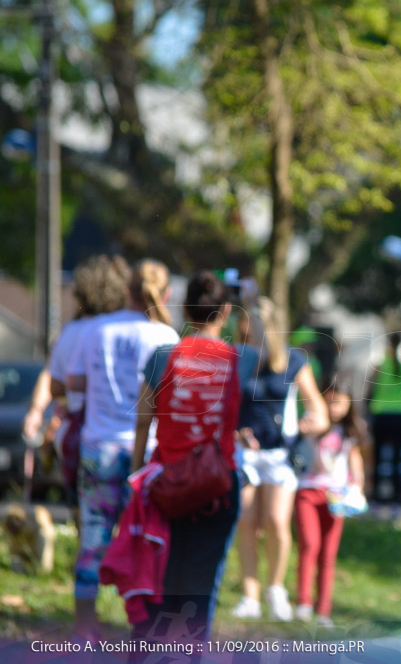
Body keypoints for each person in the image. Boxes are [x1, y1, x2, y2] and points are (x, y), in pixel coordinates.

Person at [130, 270, 258, 644]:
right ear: (226, 312)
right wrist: (250, 303)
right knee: (200, 586)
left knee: (164, 576)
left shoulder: (161, 357)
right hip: (217, 485)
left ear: (185, 308)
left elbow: (142, 422)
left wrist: (138, 475)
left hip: (167, 483)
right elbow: (269, 346)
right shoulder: (242, 358)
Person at [65, 259, 181, 640]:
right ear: (163, 295)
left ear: (127, 290)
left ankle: (85, 630)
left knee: (93, 539)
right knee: (147, 539)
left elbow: (74, 382)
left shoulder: (95, 329)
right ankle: (145, 626)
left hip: (98, 447)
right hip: (146, 454)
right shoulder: (165, 334)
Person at [232, 296, 329, 621]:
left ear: (267, 325)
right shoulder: (238, 359)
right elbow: (225, 407)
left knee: (275, 521)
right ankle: (249, 596)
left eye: (251, 322)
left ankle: (275, 589)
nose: (245, 327)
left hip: (280, 454)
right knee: (247, 522)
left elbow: (319, 411)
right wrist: (236, 433)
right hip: (245, 453)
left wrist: (309, 423)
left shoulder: (292, 360)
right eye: (243, 322)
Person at [22, 255, 131, 512]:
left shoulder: (71, 332)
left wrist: (36, 411)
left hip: (81, 435)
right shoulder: (123, 328)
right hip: (124, 431)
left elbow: (54, 381)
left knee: (86, 511)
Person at [292, 380, 367, 628]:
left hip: (337, 498)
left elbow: (355, 463)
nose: (333, 407)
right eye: (329, 400)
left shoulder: (350, 433)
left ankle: (323, 610)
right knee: (309, 545)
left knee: (328, 554)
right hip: (308, 491)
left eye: (339, 402)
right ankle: (303, 602)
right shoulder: (312, 425)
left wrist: (358, 487)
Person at [366, 332, 401, 505]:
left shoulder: (380, 365)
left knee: (378, 457)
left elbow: (369, 389)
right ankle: (397, 497)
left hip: (381, 414)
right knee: (397, 458)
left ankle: (376, 497)